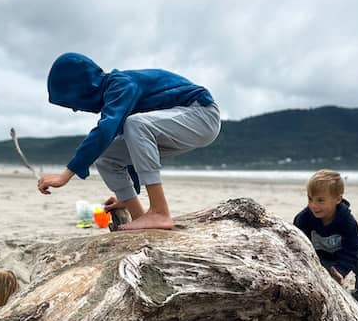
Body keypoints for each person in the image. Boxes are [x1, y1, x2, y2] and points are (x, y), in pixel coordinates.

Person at [37, 52, 221, 230]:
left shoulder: (121, 85)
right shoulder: (115, 94)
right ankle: (138, 215)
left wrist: (65, 175)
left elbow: (105, 130)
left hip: (202, 114)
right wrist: (127, 194)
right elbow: (134, 149)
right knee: (106, 156)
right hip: (182, 123)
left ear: (82, 88)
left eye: (71, 102)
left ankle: (159, 211)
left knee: (135, 125)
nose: (75, 109)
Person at [294, 169, 358, 302]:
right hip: (320, 258)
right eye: (310, 199)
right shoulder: (303, 219)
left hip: (346, 254)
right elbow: (298, 245)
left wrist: (341, 270)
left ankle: (356, 298)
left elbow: (352, 250)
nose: (313, 205)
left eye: (320, 200)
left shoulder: (347, 221)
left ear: (338, 199)